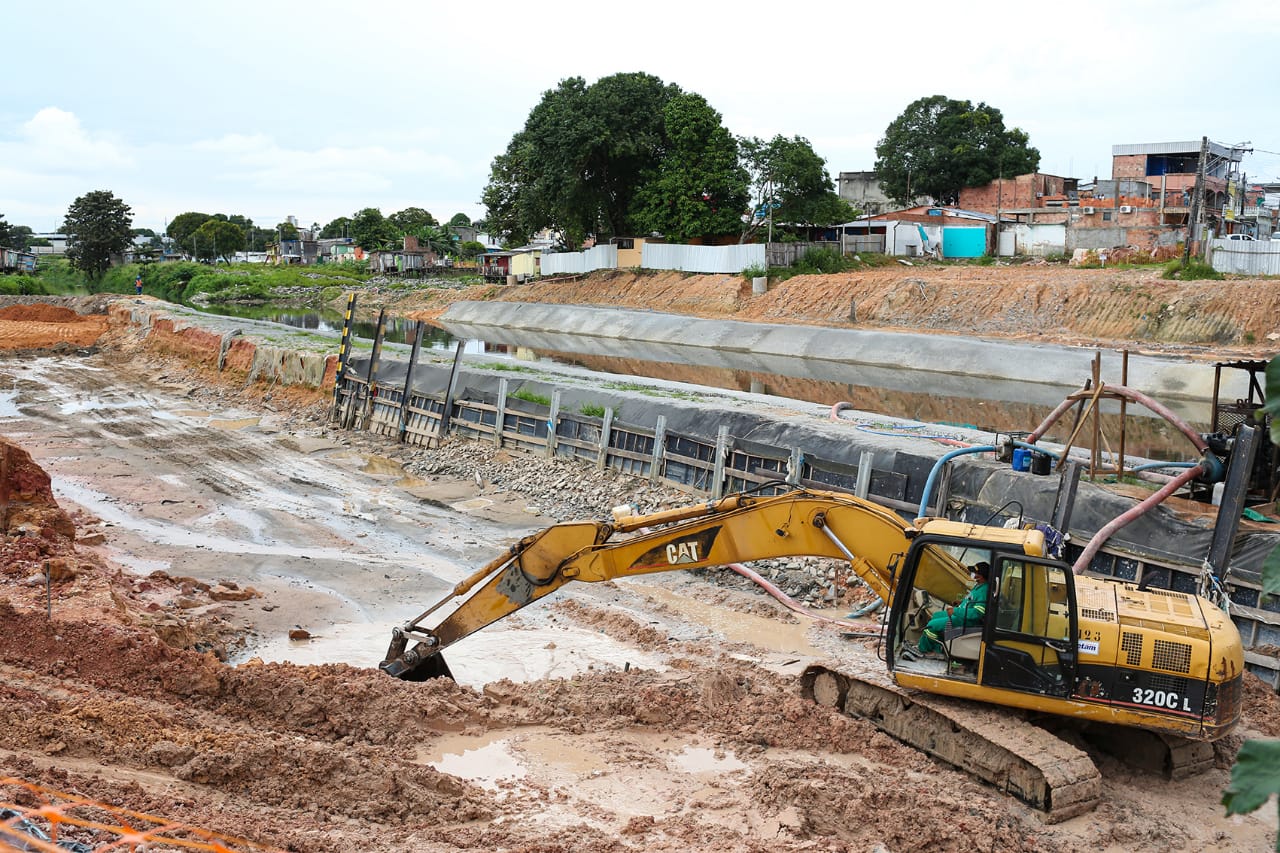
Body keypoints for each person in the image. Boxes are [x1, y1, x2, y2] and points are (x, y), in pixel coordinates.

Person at [910, 561, 990, 658]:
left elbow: (977, 613)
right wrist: (961, 603)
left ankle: (926, 650)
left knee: (931, 626)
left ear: (980, 576)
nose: (972, 574)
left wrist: (955, 611)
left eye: (975, 572)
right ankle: (937, 645)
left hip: (967, 620)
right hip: (962, 614)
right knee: (936, 616)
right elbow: (972, 601)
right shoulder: (978, 585)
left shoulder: (984, 591)